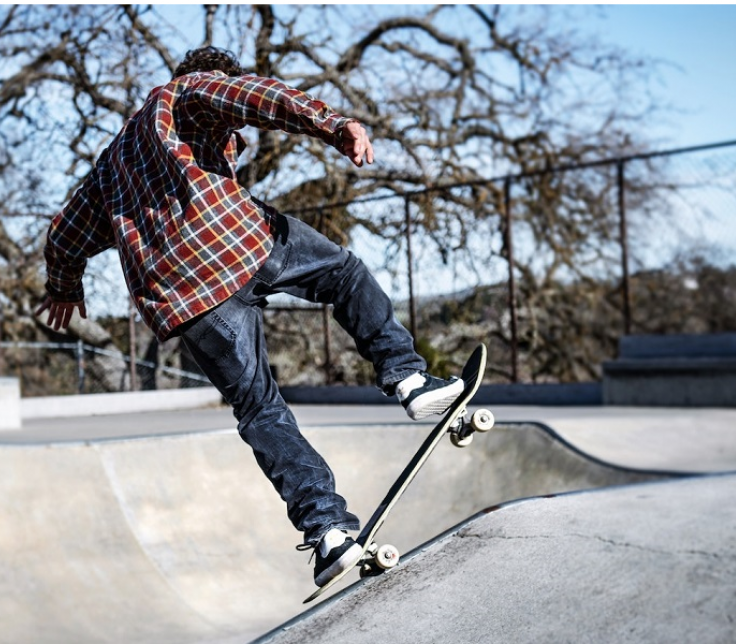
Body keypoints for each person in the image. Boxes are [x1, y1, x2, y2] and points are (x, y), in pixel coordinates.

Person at [35, 46, 464, 587]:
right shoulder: (187, 92)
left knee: (260, 410)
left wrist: (63, 287)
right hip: (239, 244)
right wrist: (334, 125)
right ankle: (406, 374)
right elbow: (253, 95)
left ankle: (328, 530)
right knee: (344, 275)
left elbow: (64, 234)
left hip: (183, 300)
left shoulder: (111, 164)